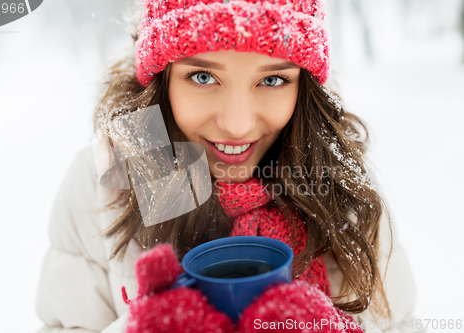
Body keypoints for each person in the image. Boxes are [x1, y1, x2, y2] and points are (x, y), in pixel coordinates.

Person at [34, 0, 424, 332]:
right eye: (203, 77)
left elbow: (401, 321)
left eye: (272, 80)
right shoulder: (106, 182)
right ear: (161, 78)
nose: (237, 125)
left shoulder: (339, 185)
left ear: (302, 84)